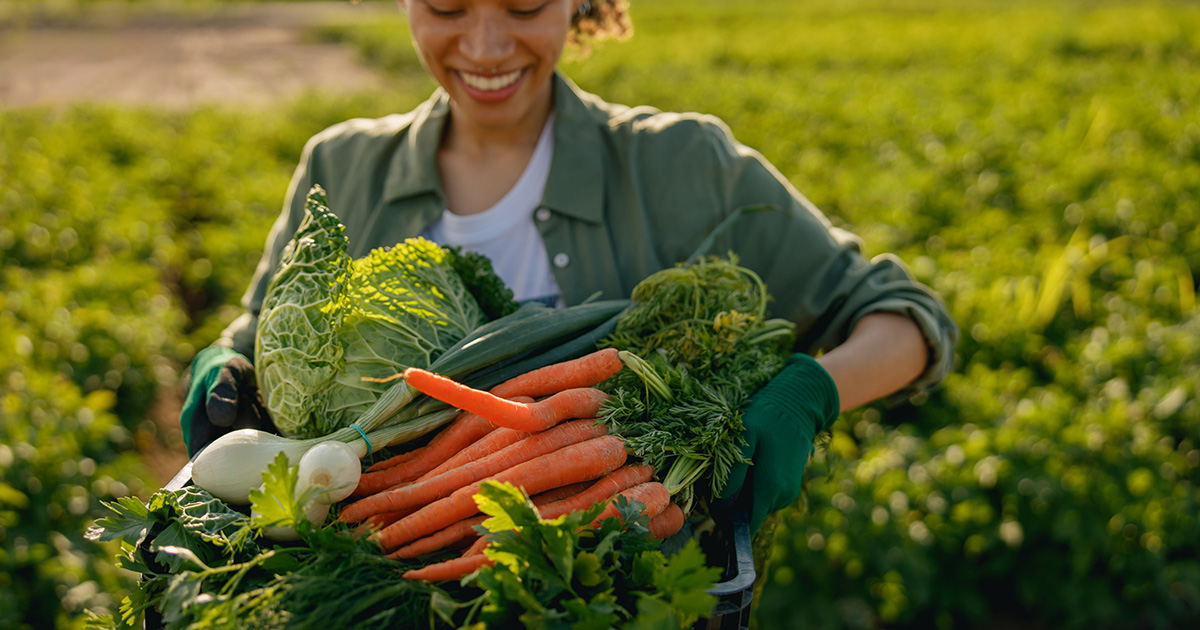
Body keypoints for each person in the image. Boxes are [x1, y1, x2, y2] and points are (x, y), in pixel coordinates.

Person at [180, 0, 957, 540]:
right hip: (378, 565)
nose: (485, 47)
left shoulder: (684, 166)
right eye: (447, 9)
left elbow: (901, 315)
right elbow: (257, 339)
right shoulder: (341, 166)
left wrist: (812, 390)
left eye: (523, 7)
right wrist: (228, 364)